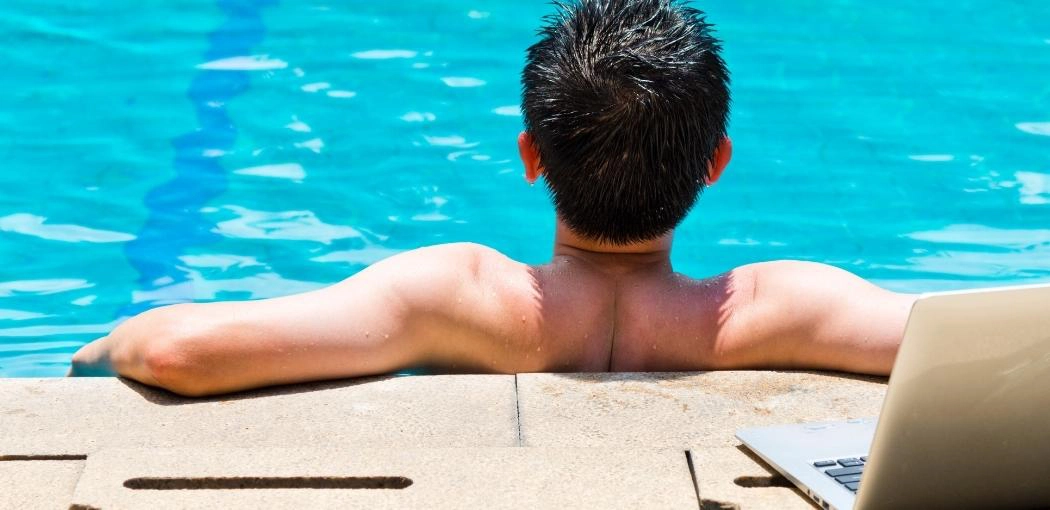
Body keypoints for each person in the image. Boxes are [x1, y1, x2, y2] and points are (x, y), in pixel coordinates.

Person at [70, 0, 915, 396]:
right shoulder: (781, 309)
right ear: (716, 163)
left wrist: (104, 352)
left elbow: (177, 353)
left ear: (530, 158)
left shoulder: (456, 299)